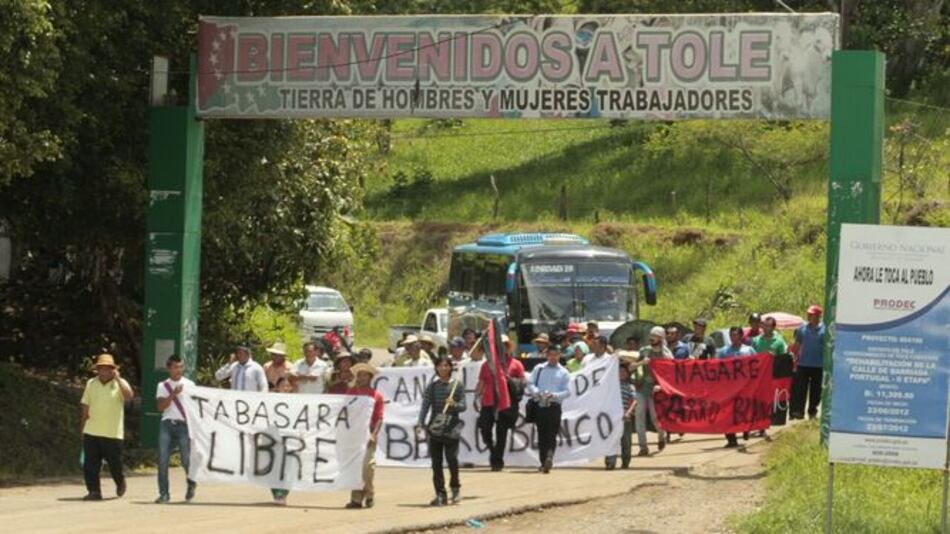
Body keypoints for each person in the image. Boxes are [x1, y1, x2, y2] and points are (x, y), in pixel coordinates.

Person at [80, 354, 134, 501]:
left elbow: (129, 395)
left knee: (114, 464)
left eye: (107, 369)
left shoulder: (120, 383)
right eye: (101, 369)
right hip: (92, 430)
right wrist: (83, 427)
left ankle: (120, 481)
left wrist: (117, 379)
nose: (104, 372)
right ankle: (94, 491)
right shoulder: (91, 383)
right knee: (90, 464)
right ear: (97, 370)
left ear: (113, 370)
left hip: (112, 433)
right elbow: (86, 406)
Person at [417, 355, 467, 506]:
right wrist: (420, 422)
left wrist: (454, 404)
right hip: (435, 428)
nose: (443, 368)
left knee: (452, 459)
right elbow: (425, 406)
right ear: (436, 368)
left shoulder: (457, 385)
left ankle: (455, 489)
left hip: (452, 428)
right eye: (440, 365)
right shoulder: (432, 387)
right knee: (436, 463)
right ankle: (440, 494)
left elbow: (464, 406)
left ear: (451, 368)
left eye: (446, 365)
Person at [476, 334, 526, 471]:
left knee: (501, 433)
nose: (502, 348)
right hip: (488, 402)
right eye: (499, 346)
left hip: (506, 403)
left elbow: (522, 383)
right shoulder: (487, 365)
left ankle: (497, 461)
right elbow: (481, 383)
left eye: (504, 345)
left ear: (508, 347)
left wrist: (510, 380)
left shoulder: (516, 364)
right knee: (484, 429)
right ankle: (493, 452)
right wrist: (476, 394)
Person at [155, 355, 196, 504]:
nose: (178, 370)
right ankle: (164, 493)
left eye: (180, 367)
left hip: (184, 425)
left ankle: (191, 483)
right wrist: (173, 394)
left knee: (186, 459)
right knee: (162, 459)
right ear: (169, 368)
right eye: (175, 367)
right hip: (167, 424)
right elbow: (160, 407)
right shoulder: (162, 386)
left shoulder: (190, 384)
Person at [526, 344, 570, 473]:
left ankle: (549, 456)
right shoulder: (539, 368)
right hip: (540, 406)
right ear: (547, 355)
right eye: (550, 354)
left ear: (559, 355)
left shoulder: (564, 372)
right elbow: (530, 383)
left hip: (554, 406)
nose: (553, 357)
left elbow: (568, 392)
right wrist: (538, 393)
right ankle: (543, 461)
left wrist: (554, 395)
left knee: (552, 434)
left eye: (555, 354)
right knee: (541, 435)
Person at [346, 363, 384, 509]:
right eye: (359, 375)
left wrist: (373, 434)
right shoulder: (351, 393)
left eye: (365, 375)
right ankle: (356, 498)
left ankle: (369, 492)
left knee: (367, 466)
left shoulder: (376, 396)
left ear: (370, 377)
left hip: (368, 434)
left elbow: (379, 417)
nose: (361, 378)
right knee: (355, 466)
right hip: (354, 435)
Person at [633, 326, 670, 456]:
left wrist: (660, 386)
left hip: (657, 390)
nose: (651, 338)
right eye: (651, 335)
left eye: (655, 336)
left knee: (655, 418)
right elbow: (631, 367)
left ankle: (661, 436)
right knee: (639, 416)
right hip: (642, 387)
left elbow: (671, 374)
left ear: (661, 338)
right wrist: (641, 363)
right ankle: (643, 447)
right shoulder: (644, 351)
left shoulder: (666, 355)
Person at [719, 326, 755, 447]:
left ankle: (746, 429)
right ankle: (731, 439)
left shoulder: (749, 350)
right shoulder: (723, 352)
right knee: (727, 414)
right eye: (731, 335)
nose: (732, 337)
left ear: (741, 336)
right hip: (728, 388)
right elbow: (716, 368)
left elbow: (758, 365)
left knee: (744, 411)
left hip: (745, 387)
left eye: (735, 335)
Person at [791, 304, 826, 420]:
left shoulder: (825, 329)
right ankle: (799, 411)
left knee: (816, 391)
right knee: (801, 389)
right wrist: (795, 356)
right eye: (809, 314)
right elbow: (797, 343)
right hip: (803, 364)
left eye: (812, 314)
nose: (809, 316)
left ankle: (812, 411)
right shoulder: (802, 328)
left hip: (818, 365)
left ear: (818, 316)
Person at [606, 360, 637, 470]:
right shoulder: (610, 386)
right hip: (612, 419)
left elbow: (634, 401)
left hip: (625, 418)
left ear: (627, 373)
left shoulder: (630, 387)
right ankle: (610, 462)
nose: (621, 373)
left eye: (624, 371)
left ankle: (625, 462)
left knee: (626, 442)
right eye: (619, 371)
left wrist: (628, 413)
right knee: (611, 441)